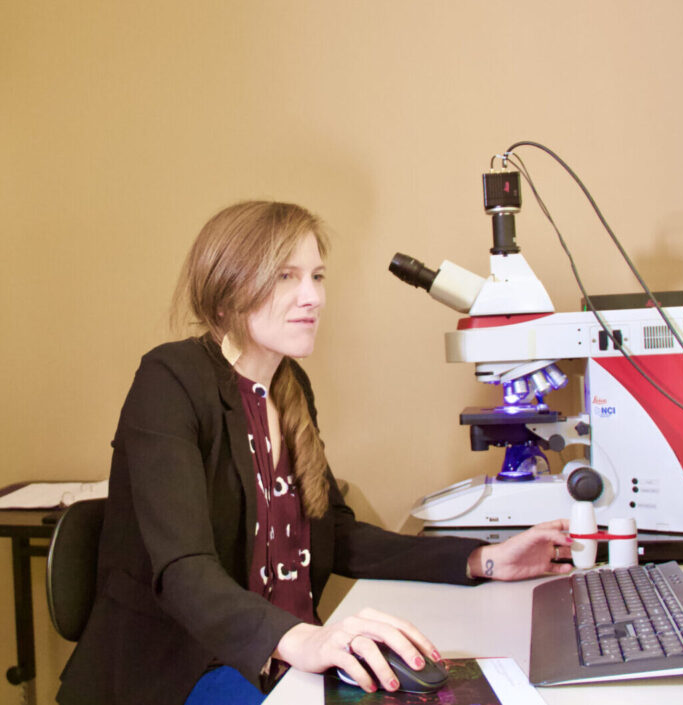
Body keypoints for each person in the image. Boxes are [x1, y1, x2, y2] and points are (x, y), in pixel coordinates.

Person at [56, 201, 574, 705]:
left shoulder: (288, 384)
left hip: (283, 657)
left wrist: (482, 558)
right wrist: (303, 639)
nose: (313, 297)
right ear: (225, 290)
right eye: (285, 276)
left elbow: (335, 535)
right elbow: (183, 570)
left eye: (317, 277)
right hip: (184, 667)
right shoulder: (170, 380)